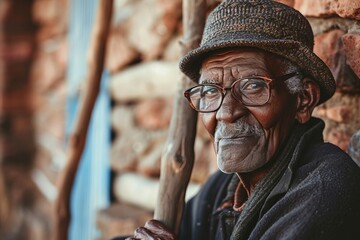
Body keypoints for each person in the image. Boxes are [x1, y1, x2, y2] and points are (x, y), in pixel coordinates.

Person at [114, 0, 360, 239]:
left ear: (303, 99)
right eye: (210, 91)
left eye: (253, 86)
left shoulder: (325, 189)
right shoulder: (225, 188)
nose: (225, 113)